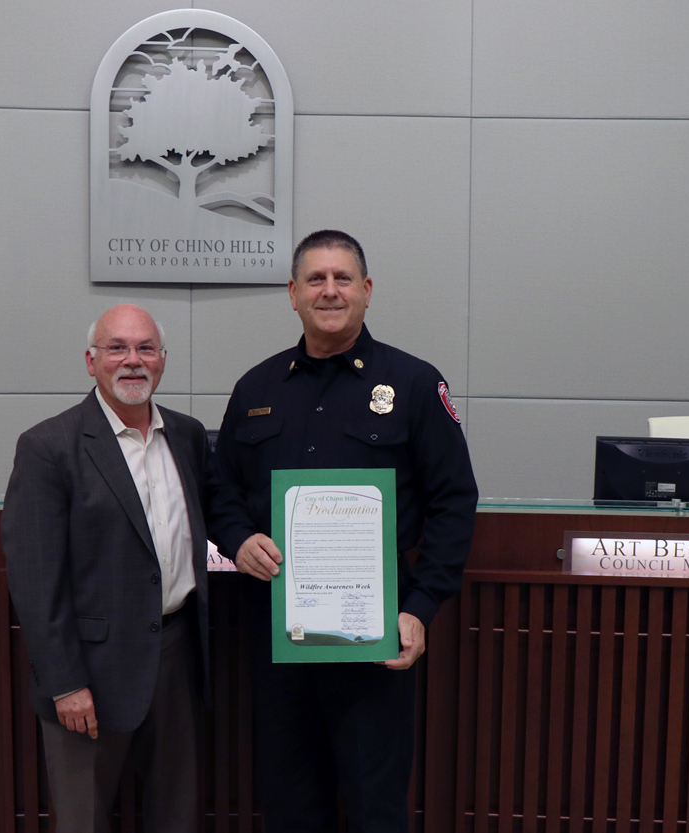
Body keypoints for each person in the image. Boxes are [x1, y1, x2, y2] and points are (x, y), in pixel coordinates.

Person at [208, 230, 478, 833]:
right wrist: (238, 539)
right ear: (293, 294)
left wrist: (420, 606)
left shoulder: (412, 384)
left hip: (373, 638)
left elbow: (454, 500)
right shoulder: (257, 388)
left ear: (367, 290)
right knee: (288, 801)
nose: (329, 291)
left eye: (343, 278)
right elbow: (220, 487)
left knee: (375, 804)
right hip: (279, 635)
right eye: (315, 279)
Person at [2, 303, 210, 833]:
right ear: (91, 361)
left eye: (145, 348)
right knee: (83, 821)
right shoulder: (49, 446)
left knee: (177, 817)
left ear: (163, 360)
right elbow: (35, 578)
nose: (132, 360)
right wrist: (65, 681)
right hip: (90, 672)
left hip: (178, 657)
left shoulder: (187, 437)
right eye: (117, 348)